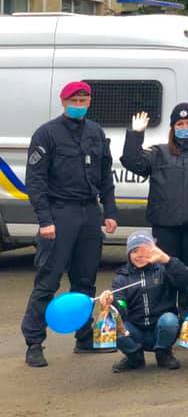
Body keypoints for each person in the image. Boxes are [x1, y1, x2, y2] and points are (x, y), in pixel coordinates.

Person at [21, 81, 119, 367]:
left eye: (83, 100)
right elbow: (35, 180)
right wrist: (44, 219)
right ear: (63, 102)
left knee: (85, 281)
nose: (79, 105)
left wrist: (110, 211)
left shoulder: (96, 132)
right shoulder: (47, 133)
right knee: (48, 281)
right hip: (60, 213)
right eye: (74, 101)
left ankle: (84, 337)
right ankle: (34, 342)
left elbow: (105, 175)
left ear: (89, 102)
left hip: (90, 213)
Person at [121, 104, 188, 312]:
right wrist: (135, 135)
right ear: (173, 128)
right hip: (165, 227)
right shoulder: (159, 153)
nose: (184, 127)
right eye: (179, 124)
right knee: (164, 276)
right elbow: (133, 162)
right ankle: (166, 319)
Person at [100, 232, 188, 372]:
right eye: (135, 251)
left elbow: (187, 278)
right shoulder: (121, 278)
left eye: (144, 250)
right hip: (135, 330)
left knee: (169, 320)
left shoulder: (163, 270)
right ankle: (134, 357)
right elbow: (121, 308)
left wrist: (167, 260)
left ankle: (164, 354)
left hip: (161, 327)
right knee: (110, 325)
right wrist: (111, 303)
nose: (140, 255)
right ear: (129, 254)